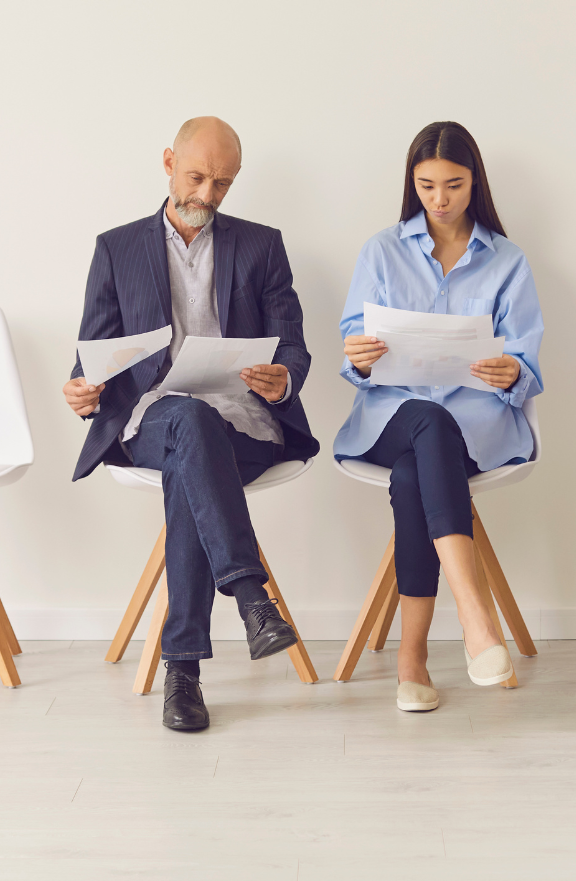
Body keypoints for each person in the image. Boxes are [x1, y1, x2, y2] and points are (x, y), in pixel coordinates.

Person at [64, 117, 319, 732]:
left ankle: (183, 670)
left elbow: (292, 345)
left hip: (242, 422)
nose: (207, 194)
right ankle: (251, 598)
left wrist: (284, 377)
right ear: (168, 162)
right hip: (152, 419)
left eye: (222, 183)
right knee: (186, 421)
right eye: (197, 177)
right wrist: (82, 389)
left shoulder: (261, 246)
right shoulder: (117, 248)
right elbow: (93, 354)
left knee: (193, 455)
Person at [335, 121, 544, 713]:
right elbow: (353, 351)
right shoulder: (381, 251)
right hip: (390, 418)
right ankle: (476, 620)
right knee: (426, 418)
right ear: (413, 183)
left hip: (475, 429)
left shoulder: (508, 260)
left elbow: (527, 364)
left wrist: (512, 371)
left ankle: (413, 659)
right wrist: (360, 357)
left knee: (412, 478)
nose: (440, 199)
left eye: (453, 185)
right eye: (427, 186)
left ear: (475, 182)